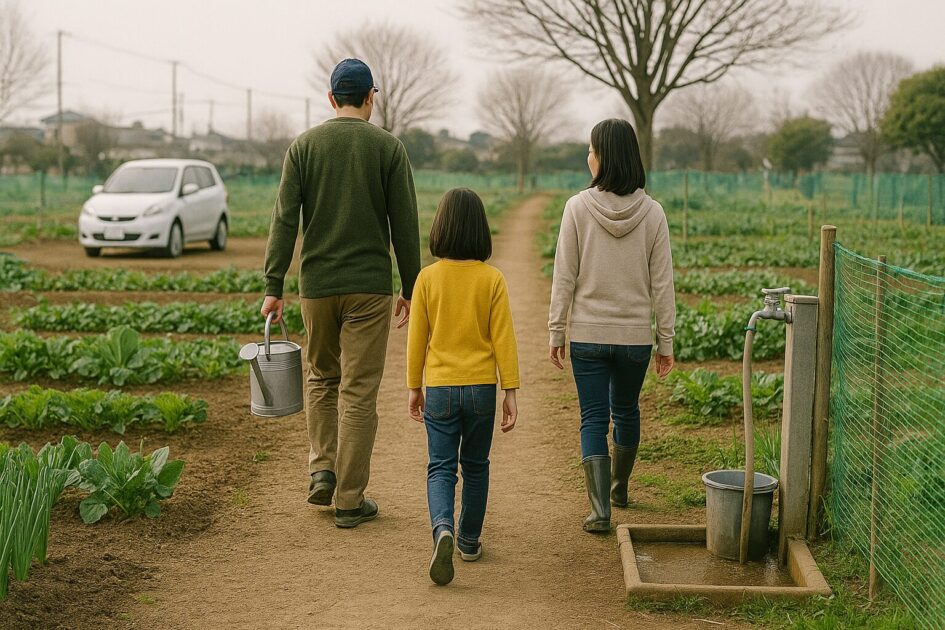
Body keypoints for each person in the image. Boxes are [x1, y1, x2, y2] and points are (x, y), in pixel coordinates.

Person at [261, 58, 420, 529]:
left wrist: (274, 285)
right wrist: (411, 286)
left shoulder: (304, 147)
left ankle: (322, 470)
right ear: (370, 97)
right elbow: (404, 224)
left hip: (317, 287)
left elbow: (285, 219)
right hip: (369, 288)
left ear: (332, 99)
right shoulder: (389, 148)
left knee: (321, 377)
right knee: (359, 390)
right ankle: (350, 498)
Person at [547, 118, 676, 533]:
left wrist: (556, 331)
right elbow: (663, 283)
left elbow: (564, 275)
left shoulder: (576, 207)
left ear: (603, 157)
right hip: (635, 337)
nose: (588, 156)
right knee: (626, 410)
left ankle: (600, 511)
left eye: (591, 149)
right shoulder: (653, 212)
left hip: (587, 333)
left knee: (593, 418)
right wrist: (666, 341)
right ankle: (619, 488)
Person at [406, 188, 520, 586]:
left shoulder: (426, 279)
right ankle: (469, 541)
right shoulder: (492, 279)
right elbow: (503, 337)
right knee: (475, 466)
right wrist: (511, 390)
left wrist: (413, 386)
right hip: (480, 390)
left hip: (439, 386)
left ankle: (443, 530)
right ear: (480, 231)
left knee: (440, 467)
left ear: (440, 228)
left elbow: (416, 338)